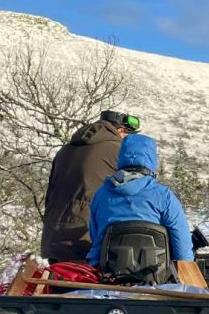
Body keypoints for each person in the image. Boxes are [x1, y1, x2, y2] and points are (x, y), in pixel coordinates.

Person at [40, 110, 141, 262]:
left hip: (52, 238)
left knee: (60, 281)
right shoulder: (117, 151)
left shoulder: (65, 150)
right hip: (85, 238)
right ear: (121, 130)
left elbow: (50, 195)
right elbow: (133, 197)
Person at [86, 133, 193, 268]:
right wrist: (185, 270)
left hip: (108, 273)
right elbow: (182, 244)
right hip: (155, 277)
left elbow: (96, 237)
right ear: (152, 159)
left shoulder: (101, 195)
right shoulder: (164, 195)